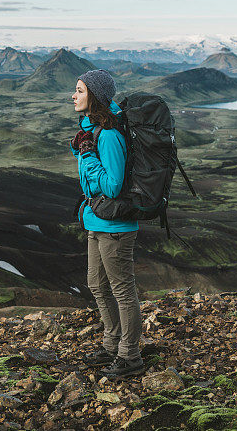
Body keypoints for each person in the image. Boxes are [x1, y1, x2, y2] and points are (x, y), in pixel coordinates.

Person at [69, 69, 144, 378]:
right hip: (97, 221)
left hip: (116, 228)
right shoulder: (94, 130)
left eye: (80, 91)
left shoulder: (110, 135)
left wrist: (87, 156)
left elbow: (113, 186)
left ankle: (130, 356)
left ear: (95, 97)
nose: (73, 96)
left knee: (122, 290)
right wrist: (83, 149)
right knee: (97, 285)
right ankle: (111, 345)